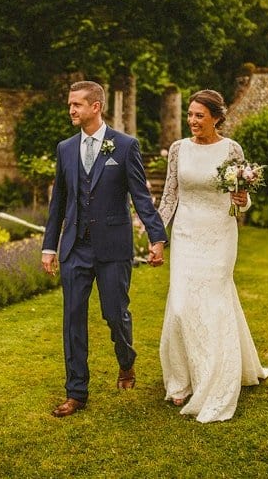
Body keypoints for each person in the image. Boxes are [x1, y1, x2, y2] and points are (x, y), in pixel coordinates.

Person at [42, 81, 168, 418]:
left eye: (77, 104)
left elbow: (141, 196)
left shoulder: (125, 146)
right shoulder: (65, 148)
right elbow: (58, 203)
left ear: (95, 107)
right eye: (70, 104)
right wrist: (49, 247)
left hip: (113, 248)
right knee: (73, 319)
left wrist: (156, 238)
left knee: (115, 314)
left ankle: (126, 361)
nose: (71, 110)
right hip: (75, 248)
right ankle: (76, 392)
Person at [156, 89, 268, 423]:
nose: (192, 121)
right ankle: (180, 380)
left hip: (220, 234)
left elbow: (242, 197)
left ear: (216, 118)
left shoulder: (231, 149)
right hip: (186, 234)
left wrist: (244, 201)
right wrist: (157, 235)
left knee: (213, 303)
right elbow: (169, 195)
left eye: (199, 116)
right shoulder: (178, 149)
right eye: (190, 115)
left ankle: (214, 378)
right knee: (180, 305)